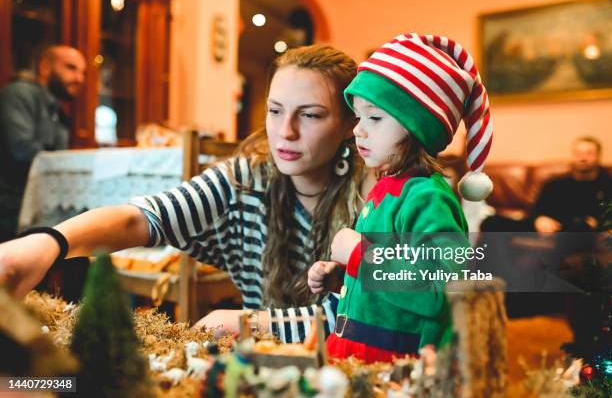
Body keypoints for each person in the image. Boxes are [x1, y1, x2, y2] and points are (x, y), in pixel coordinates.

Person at [0, 45, 372, 343]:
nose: (285, 132)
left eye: (309, 115)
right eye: (275, 111)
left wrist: (253, 322)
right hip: (259, 367)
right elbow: (146, 217)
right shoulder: (246, 179)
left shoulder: (381, 197)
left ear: (348, 125)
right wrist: (49, 245)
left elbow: (375, 319)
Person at [308, 33, 494, 363]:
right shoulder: (387, 189)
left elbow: (438, 292)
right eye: (360, 117)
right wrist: (343, 276)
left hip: (395, 363)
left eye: (375, 118)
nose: (358, 130)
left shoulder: (427, 198)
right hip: (358, 355)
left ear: (417, 127)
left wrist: (357, 252)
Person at [0, 45, 86, 242]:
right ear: (45, 68)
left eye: (83, 72)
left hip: (40, 205)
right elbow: (21, 151)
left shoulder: (57, 109)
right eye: (71, 68)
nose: (79, 79)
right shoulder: (19, 94)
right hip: (12, 210)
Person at [480, 136, 610, 233]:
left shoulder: (606, 183)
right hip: (544, 229)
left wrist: (597, 223)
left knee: (581, 228)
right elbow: (536, 210)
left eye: (589, 153)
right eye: (579, 153)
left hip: (576, 232)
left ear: (598, 156)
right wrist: (539, 220)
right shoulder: (556, 183)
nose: (583, 158)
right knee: (490, 222)